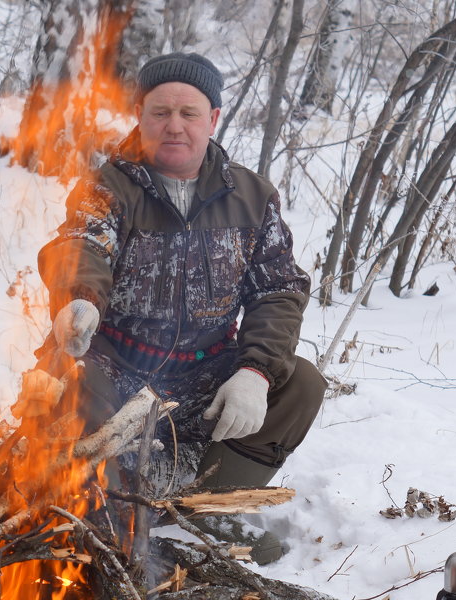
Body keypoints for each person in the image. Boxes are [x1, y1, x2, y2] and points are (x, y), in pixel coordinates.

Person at [37, 52, 326, 560]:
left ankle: (207, 510)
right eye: (159, 113)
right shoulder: (107, 187)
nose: (174, 126)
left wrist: (255, 372)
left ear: (213, 118)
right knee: (62, 392)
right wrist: (78, 301)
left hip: (205, 373)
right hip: (115, 364)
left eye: (188, 113)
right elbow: (80, 245)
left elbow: (278, 289)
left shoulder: (253, 196)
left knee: (299, 383)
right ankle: (91, 508)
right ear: (141, 118)